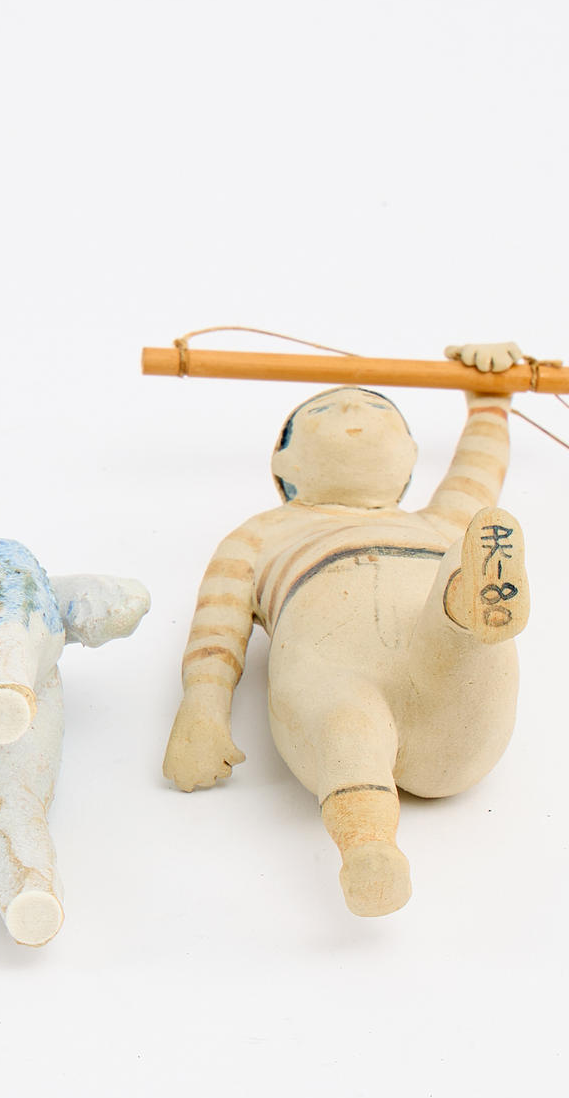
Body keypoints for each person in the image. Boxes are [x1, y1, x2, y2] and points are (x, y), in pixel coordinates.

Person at [163, 341, 529, 915]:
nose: (356, 409)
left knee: (465, 624)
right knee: (345, 719)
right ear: (283, 466)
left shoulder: (439, 521)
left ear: (410, 457)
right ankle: (369, 851)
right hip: (332, 666)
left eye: (379, 409)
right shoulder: (260, 534)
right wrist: (201, 710)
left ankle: (470, 602)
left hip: (450, 709)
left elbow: (478, 468)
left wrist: (491, 399)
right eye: (326, 410)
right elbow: (217, 629)